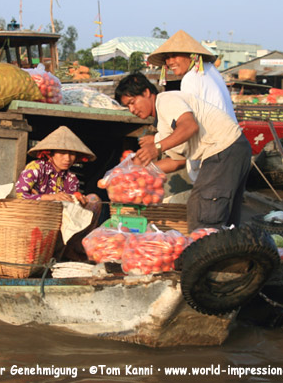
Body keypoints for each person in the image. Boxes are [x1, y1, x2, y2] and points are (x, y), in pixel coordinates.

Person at [114, 72, 252, 232]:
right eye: (127, 106)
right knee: (224, 217)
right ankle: (228, 251)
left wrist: (157, 147)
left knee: (203, 211)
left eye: (132, 102)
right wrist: (141, 172)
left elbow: (189, 126)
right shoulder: (164, 128)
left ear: (146, 92)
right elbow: (177, 161)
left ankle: (207, 251)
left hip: (224, 147)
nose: (132, 109)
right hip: (231, 150)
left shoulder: (166, 100)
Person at [147, 30, 237, 181]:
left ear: (192, 56)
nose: (170, 62)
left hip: (216, 153)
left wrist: (157, 142)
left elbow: (189, 126)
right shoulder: (211, 71)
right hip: (230, 147)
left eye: (174, 55)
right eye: (167, 58)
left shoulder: (191, 78)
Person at [15, 126, 101, 259]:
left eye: (72, 154)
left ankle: (75, 246)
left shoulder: (71, 179)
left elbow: (72, 209)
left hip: (62, 225)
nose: (67, 159)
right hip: (36, 222)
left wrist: (79, 202)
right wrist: (49, 197)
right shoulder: (36, 168)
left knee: (94, 200)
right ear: (50, 153)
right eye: (62, 153)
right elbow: (19, 195)